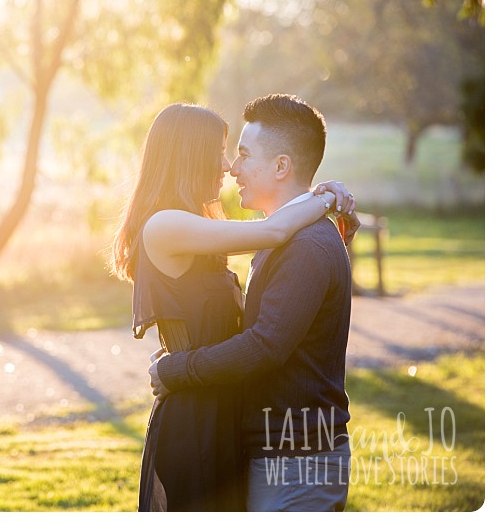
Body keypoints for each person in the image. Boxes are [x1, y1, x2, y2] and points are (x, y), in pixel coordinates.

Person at [110, 101, 357, 511]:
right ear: (190, 156)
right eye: (222, 153)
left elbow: (258, 335)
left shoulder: (296, 241)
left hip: (243, 428)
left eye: (239, 154)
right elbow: (273, 231)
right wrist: (327, 197)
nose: (228, 167)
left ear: (280, 166)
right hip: (200, 420)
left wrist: (177, 362)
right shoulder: (167, 225)